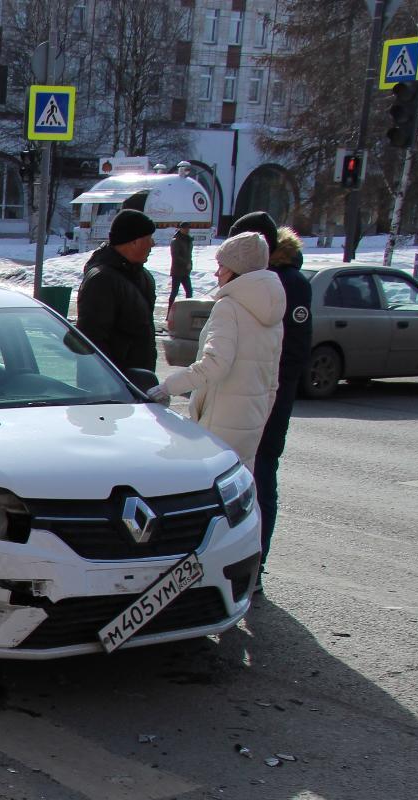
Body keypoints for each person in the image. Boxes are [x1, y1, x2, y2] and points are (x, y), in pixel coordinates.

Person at [158, 232, 286, 465]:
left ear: (236, 269)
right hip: (253, 419)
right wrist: (259, 416)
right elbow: (272, 381)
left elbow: (214, 365)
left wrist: (167, 387)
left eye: (222, 266)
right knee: (239, 485)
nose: (217, 273)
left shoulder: (229, 307)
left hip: (220, 418)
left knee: (207, 487)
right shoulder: (273, 311)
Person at [229, 210, 312, 566]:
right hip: (244, 400)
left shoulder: (288, 284)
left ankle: (254, 563)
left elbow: (294, 352)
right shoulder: (243, 284)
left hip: (267, 402)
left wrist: (267, 393)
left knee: (260, 476)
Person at [76, 208, 158, 379]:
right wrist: (111, 387)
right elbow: (92, 342)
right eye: (148, 239)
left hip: (139, 382)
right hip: (111, 389)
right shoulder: (102, 280)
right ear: (133, 242)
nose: (153, 244)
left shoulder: (143, 276)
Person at [168, 226, 194, 305]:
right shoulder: (176, 240)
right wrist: (186, 263)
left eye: (188, 228)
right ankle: (169, 312)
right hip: (177, 271)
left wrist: (190, 264)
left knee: (189, 291)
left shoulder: (188, 240)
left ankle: (187, 310)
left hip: (185, 271)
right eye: (185, 228)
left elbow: (189, 255)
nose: (187, 230)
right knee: (174, 292)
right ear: (180, 229)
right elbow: (175, 256)